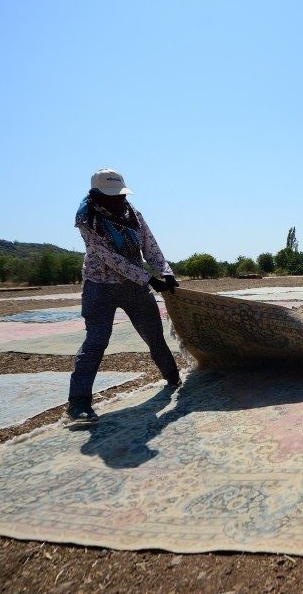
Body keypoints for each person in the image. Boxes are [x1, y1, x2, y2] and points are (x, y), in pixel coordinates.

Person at [66, 169, 181, 422]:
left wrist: (164, 271)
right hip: (100, 285)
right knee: (96, 341)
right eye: (112, 196)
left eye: (120, 195)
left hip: (135, 286)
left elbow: (150, 244)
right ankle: (79, 402)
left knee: (154, 335)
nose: (118, 200)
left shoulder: (132, 214)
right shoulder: (87, 219)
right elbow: (110, 258)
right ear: (96, 195)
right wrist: (149, 278)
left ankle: (173, 378)